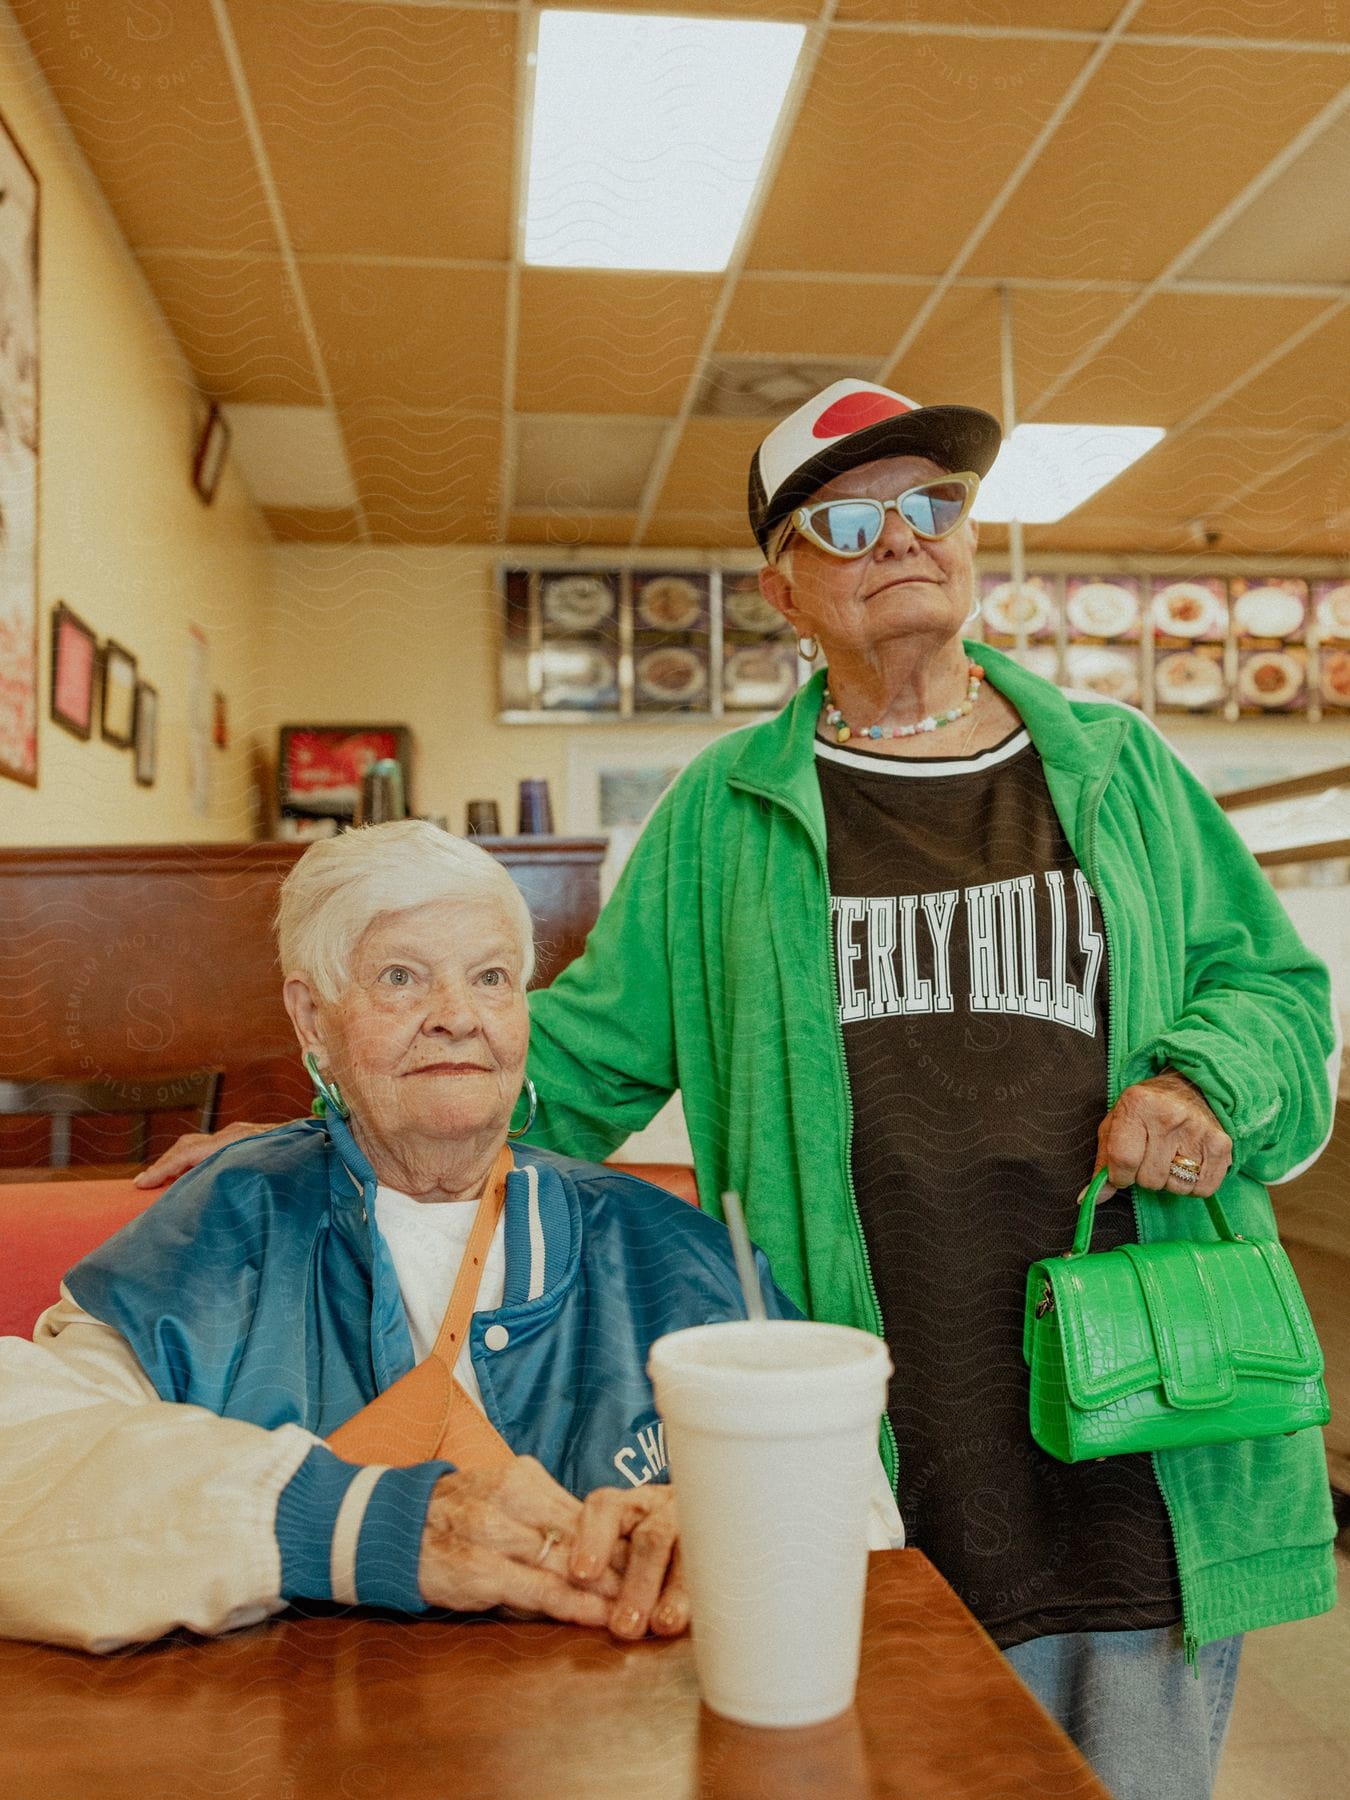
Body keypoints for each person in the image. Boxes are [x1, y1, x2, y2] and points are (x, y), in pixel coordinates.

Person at [141, 381, 1337, 1800]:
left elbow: (1277, 998)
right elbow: (571, 1059)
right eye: (849, 519)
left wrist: (1206, 1081)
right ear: (783, 586)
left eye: (931, 506)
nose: (902, 538)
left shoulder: (1120, 770)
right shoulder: (720, 815)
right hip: (863, 1432)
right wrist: (317, 1141)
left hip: (1140, 1418)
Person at [0, 821, 822, 1652]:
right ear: (313, 1019)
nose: (457, 1016)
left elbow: (843, 1493)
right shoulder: (221, 1228)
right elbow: (24, 1462)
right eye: (402, 977)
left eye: (492, 977)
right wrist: (361, 1524)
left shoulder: (665, 1249)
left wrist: (726, 1518)